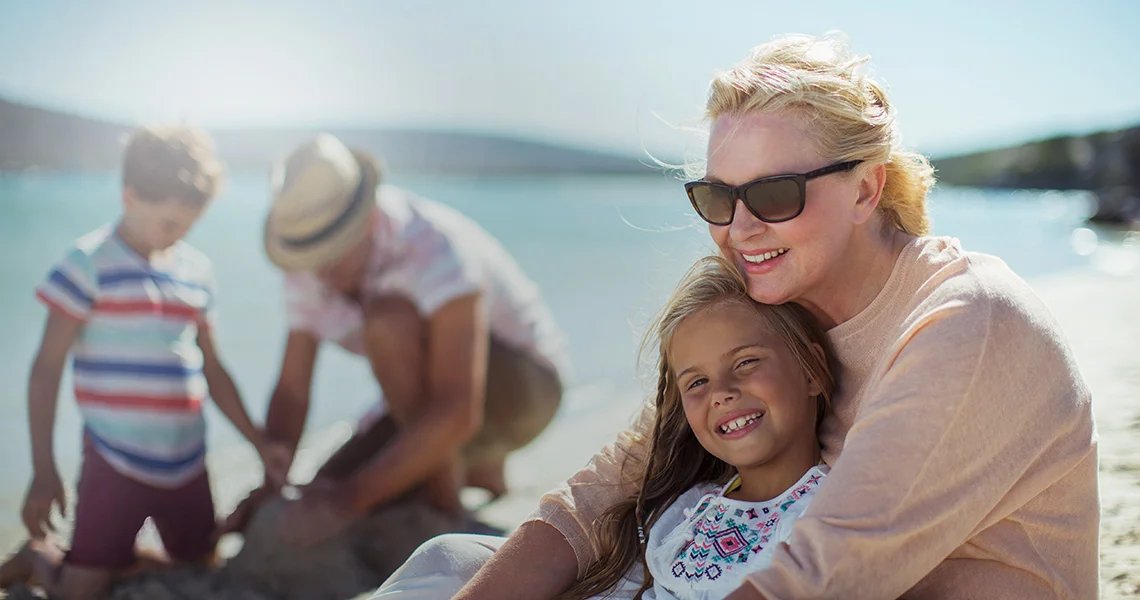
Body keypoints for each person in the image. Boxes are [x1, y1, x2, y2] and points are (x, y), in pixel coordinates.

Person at [376, 33, 1099, 599]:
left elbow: (819, 578)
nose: (739, 229)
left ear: (865, 189)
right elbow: (604, 492)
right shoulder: (772, 300)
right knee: (451, 563)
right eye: (718, 198)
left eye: (776, 194)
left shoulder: (966, 323)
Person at [377, 255, 837, 599]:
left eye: (747, 362)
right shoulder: (686, 509)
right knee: (444, 556)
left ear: (812, 371)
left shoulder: (828, 512)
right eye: (696, 382)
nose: (721, 392)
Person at [222, 134, 566, 547]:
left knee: (387, 324)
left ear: (365, 221)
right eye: (311, 256)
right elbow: (293, 392)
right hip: (427, 399)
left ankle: (447, 498)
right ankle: (477, 468)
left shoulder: (431, 247)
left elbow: (458, 409)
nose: (320, 271)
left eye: (332, 251)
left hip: (524, 392)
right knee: (322, 487)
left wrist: (350, 502)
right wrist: (273, 482)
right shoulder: (307, 261)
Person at [0, 125, 289, 600]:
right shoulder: (88, 263)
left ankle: (116, 557)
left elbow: (212, 369)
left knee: (199, 564)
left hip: (187, 460)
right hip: (116, 461)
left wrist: (258, 442)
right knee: (80, 592)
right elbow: (46, 368)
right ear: (130, 197)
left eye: (190, 226)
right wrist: (43, 466)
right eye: (170, 224)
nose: (178, 236)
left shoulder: (196, 272)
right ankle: (40, 554)